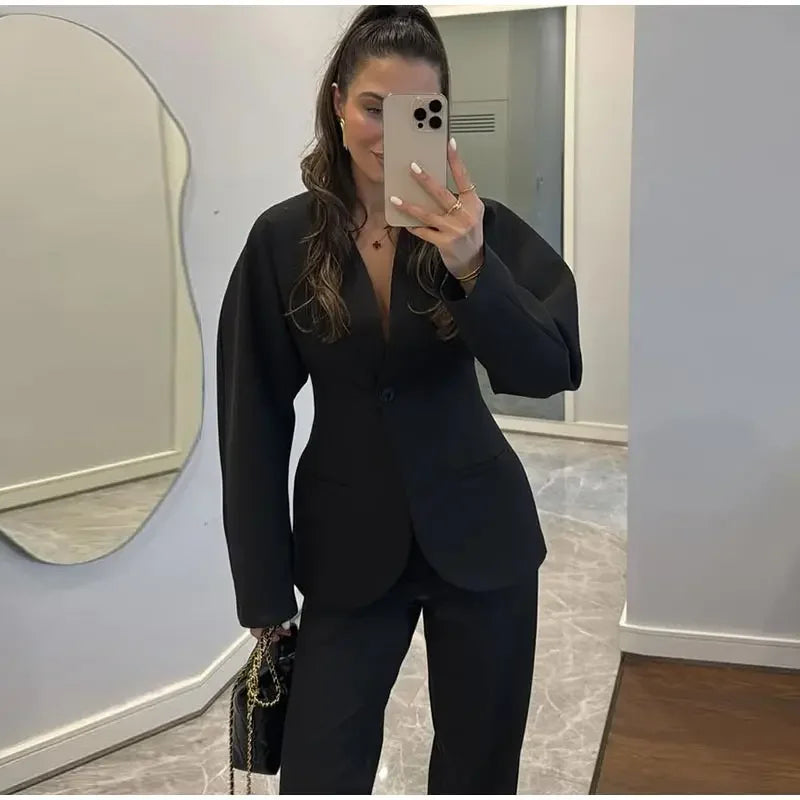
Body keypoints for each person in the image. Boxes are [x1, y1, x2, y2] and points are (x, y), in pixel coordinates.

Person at [217, 5, 582, 794]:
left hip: (482, 536)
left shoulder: (481, 229)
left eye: (416, 111)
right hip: (345, 546)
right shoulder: (281, 240)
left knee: (478, 770)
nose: (387, 133)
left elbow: (549, 368)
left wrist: (474, 267)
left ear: (441, 117)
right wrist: (263, 587)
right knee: (318, 771)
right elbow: (253, 419)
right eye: (371, 107)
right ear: (338, 104)